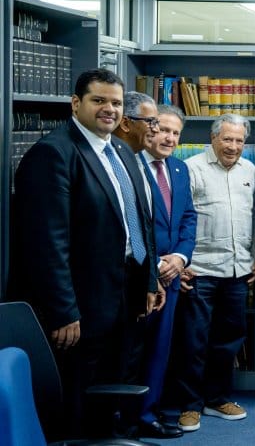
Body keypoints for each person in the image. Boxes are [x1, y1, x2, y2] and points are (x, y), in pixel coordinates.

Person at [9, 68, 160, 441]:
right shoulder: (54, 153)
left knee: (114, 385)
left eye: (116, 102)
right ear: (76, 104)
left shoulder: (121, 151)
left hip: (124, 294)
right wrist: (63, 310)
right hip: (81, 305)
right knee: (79, 393)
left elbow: (141, 221)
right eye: (99, 100)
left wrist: (149, 280)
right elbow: (46, 243)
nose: (109, 109)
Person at [172, 114, 255, 433]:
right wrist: (181, 261)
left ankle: (217, 399)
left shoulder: (250, 171)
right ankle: (190, 405)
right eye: (227, 139)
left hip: (238, 271)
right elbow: (179, 218)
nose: (233, 146)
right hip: (200, 270)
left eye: (239, 140)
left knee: (228, 340)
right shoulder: (191, 168)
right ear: (213, 139)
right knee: (194, 341)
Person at [136, 104, 197, 439]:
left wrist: (180, 258)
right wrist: (157, 262)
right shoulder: (131, 166)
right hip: (140, 274)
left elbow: (188, 217)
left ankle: (150, 412)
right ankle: (127, 414)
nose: (170, 138)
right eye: (163, 129)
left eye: (176, 133)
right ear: (148, 128)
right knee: (134, 349)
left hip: (172, 275)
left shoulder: (179, 169)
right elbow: (130, 225)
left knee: (161, 348)